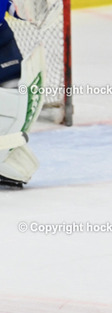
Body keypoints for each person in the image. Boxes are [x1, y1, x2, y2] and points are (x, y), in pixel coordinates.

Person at [0, 0, 43, 187]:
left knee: (16, 93)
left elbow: (14, 7)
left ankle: (3, 149)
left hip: (2, 39)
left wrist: (33, 9)